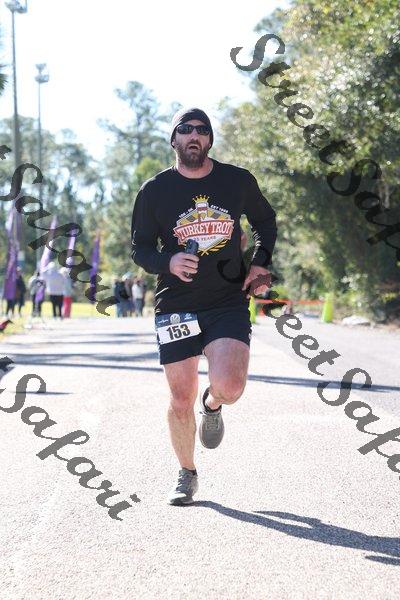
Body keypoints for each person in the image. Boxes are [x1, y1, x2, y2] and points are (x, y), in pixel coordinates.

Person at [131, 107, 277, 505]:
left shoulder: (237, 181)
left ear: (210, 140)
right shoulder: (154, 190)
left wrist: (260, 263)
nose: (194, 135)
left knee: (230, 387)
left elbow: (265, 222)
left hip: (226, 300)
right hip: (175, 304)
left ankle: (211, 405)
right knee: (180, 397)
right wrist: (168, 262)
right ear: (173, 139)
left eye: (202, 130)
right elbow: (140, 249)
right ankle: (187, 473)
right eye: (186, 129)